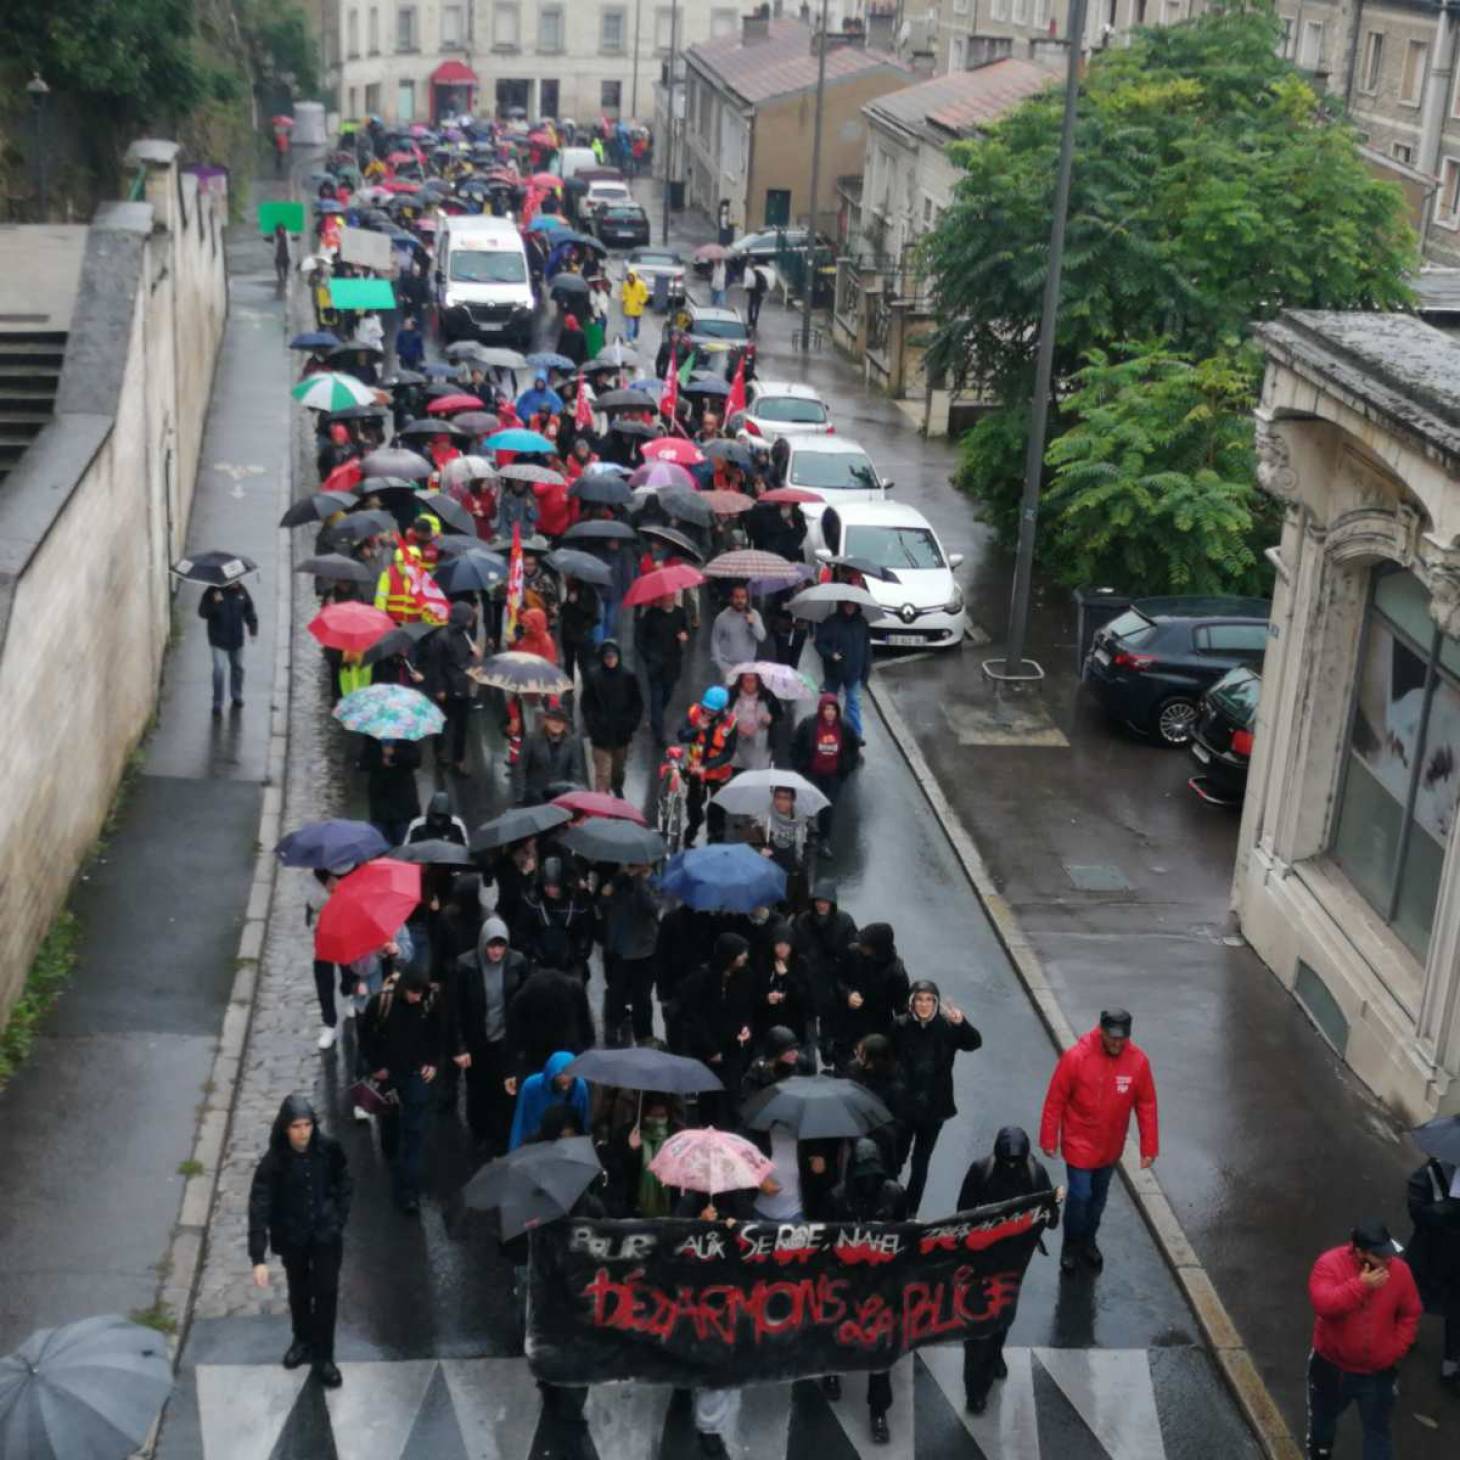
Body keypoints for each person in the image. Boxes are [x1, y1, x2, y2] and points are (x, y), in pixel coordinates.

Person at [1039, 1008, 1158, 1274]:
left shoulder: (1138, 1062)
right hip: (1079, 1141)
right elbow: (1055, 1100)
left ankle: (1089, 1240)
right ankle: (1071, 1245)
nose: (1117, 1043)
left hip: (1110, 1146)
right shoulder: (1076, 1058)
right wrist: (1049, 1138)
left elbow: (1146, 1104)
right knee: (1081, 1195)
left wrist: (1149, 1147)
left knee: (1098, 1198)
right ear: (1101, 1031)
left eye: (1122, 1039)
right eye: (1112, 1037)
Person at [248, 1094, 351, 1389]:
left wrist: (338, 1218)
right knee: (299, 1291)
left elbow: (344, 1181)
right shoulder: (273, 1163)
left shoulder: (328, 1149)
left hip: (325, 1236)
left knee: (327, 1292)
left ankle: (325, 1355)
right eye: (296, 1126)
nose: (303, 1132)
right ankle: (302, 1339)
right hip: (293, 1237)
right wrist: (258, 1257)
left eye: (307, 1125)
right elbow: (259, 1206)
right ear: (285, 1128)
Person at [957, 1127, 1057, 1414]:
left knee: (1003, 1313)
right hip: (981, 1257)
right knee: (977, 1323)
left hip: (1015, 1258)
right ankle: (975, 1388)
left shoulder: (1036, 1175)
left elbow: (1050, 1218)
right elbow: (963, 1210)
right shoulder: (981, 1171)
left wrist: (1047, 1210)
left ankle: (995, 1351)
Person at [1306, 1222, 1422, 1459]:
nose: (1387, 1261)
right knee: (1323, 1424)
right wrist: (1361, 1286)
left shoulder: (1399, 1271)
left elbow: (1410, 1312)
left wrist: (1396, 1349)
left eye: (1389, 1253)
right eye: (1379, 1256)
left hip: (1378, 1373)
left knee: (1378, 1433)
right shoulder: (1329, 1265)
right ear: (1359, 1252)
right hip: (1333, 1370)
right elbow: (1324, 1305)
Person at [821, 1138, 907, 1442]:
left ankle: (878, 1410)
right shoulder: (837, 1198)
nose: (868, 1182)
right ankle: (831, 1369)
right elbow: (825, 1243)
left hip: (881, 1281)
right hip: (845, 1279)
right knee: (838, 1328)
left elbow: (906, 1237)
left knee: (879, 1347)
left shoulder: (894, 1195)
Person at [892, 979, 983, 1213]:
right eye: (920, 999)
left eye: (929, 1000)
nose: (924, 1005)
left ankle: (911, 1210)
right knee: (896, 1156)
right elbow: (887, 1057)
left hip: (934, 1108)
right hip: (904, 1106)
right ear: (912, 1002)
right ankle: (891, 1201)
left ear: (935, 1003)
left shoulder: (946, 1027)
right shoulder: (900, 1026)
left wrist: (961, 1023)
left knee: (921, 1163)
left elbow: (974, 1043)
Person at [361, 966, 445, 1213]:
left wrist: (432, 1062)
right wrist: (376, 1066)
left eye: (420, 993)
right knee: (390, 1124)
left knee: (414, 1131)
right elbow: (366, 1036)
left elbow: (438, 1033)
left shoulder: (430, 999)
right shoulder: (382, 1003)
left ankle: (408, 1191)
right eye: (413, 993)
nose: (417, 998)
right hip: (389, 1074)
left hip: (416, 1073)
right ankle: (394, 1159)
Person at [452, 916, 530, 1153]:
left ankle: (502, 1136)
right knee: (478, 1088)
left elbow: (525, 1003)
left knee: (506, 1089)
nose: (496, 951)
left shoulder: (518, 963)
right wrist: (460, 1047)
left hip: (506, 1040)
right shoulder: (466, 966)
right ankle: (480, 1133)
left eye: (501, 945)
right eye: (492, 945)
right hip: (478, 1040)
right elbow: (455, 1010)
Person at [1405, 1151, 1460, 1388]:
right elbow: (1418, 1213)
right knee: (1411, 1298)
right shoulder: (1430, 1173)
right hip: (1428, 1255)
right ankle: (1404, 1336)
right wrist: (1448, 1207)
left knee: (1457, 1313)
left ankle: (1451, 1367)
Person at [793, 880, 858, 1061]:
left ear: (832, 903)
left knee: (830, 1016)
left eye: (825, 901)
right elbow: (796, 947)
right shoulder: (803, 921)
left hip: (832, 979)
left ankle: (827, 1048)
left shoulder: (845, 921)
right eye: (818, 900)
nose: (821, 904)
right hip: (809, 977)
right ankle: (811, 1053)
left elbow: (853, 949)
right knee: (809, 1018)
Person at [833, 923, 909, 1069]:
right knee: (843, 1070)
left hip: (877, 1030)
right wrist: (848, 994)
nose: (861, 946)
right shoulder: (853, 953)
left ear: (878, 948)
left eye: (866, 945)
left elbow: (902, 1010)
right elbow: (838, 980)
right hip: (848, 1025)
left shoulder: (896, 972)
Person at [600, 863, 660, 1045]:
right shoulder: (618, 880)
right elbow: (602, 903)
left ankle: (644, 1035)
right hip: (618, 948)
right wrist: (616, 882)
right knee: (616, 993)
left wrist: (639, 882)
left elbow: (652, 908)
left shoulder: (653, 882)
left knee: (642, 997)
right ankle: (613, 1025)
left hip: (644, 951)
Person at [423, 600, 481, 775]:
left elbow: (465, 658)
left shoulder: (464, 635)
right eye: (470, 618)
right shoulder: (441, 638)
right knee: (443, 724)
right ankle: (440, 753)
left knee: (461, 726)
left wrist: (473, 657)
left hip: (463, 686)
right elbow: (436, 665)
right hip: (448, 688)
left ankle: (459, 760)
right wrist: (439, 688)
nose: (471, 622)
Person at [514, 857, 596, 980]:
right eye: (547, 885)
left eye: (554, 885)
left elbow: (584, 933)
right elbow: (522, 932)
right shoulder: (534, 901)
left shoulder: (576, 902)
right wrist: (533, 952)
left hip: (569, 962)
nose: (550, 890)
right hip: (539, 960)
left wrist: (577, 956)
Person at [791, 693, 857, 847]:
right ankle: (806, 832)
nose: (830, 712)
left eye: (833, 709)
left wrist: (847, 767)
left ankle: (824, 840)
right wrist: (799, 766)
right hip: (812, 772)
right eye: (826, 709)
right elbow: (795, 744)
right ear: (821, 709)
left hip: (834, 775)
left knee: (828, 805)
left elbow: (853, 748)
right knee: (808, 803)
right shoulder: (809, 724)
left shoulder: (845, 727)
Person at [580, 638, 644, 796]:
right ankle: (602, 805)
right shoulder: (594, 677)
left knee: (618, 770)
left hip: (621, 735)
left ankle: (617, 787)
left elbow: (637, 703)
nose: (611, 661)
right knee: (603, 774)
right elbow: (586, 704)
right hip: (600, 736)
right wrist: (593, 725)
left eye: (613, 657)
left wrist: (630, 725)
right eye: (607, 657)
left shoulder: (628, 677)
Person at [679, 685, 739, 846]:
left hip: (718, 775)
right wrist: (696, 729)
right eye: (706, 707)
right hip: (695, 773)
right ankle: (689, 837)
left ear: (721, 709)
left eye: (712, 710)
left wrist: (707, 767)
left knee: (717, 813)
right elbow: (682, 736)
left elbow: (728, 752)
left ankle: (715, 844)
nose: (708, 712)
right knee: (693, 809)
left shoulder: (730, 723)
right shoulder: (694, 714)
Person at [815, 598, 872, 744]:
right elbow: (819, 643)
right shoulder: (831, 621)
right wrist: (830, 654)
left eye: (852, 604)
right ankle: (825, 734)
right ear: (842, 604)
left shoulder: (862, 623)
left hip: (854, 671)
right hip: (833, 671)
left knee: (853, 704)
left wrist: (865, 672)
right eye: (847, 604)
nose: (850, 607)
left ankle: (854, 736)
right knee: (829, 705)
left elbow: (867, 650)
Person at [199, 580, 259, 715]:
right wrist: (214, 603)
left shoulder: (242, 591)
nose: (237, 582)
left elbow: (249, 610)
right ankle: (217, 702)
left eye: (239, 579)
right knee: (219, 670)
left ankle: (236, 695)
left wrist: (253, 628)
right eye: (235, 580)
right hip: (218, 640)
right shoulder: (213, 591)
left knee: (237, 667)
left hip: (236, 639)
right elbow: (202, 612)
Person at [509, 1050, 590, 1148]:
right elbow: (521, 1123)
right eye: (562, 1083)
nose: (566, 1088)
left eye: (570, 1083)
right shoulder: (531, 1087)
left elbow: (582, 1122)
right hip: (537, 1145)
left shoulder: (579, 1088)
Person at [513, 701, 587, 805]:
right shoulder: (531, 739)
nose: (557, 724)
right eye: (554, 720)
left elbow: (576, 771)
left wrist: (575, 795)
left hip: (561, 795)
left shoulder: (572, 743)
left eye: (561, 721)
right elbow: (520, 768)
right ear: (546, 721)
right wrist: (519, 797)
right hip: (535, 795)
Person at [638, 593, 689, 744]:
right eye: (665, 598)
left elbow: (686, 630)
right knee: (656, 697)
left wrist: (684, 636)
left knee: (667, 694)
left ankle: (656, 718)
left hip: (672, 664)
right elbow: (640, 637)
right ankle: (659, 733)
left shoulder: (680, 613)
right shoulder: (651, 615)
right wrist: (648, 657)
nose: (668, 600)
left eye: (670, 597)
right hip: (655, 665)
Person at [361, 738, 422, 847]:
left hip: (403, 803)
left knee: (403, 845)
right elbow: (363, 762)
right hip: (380, 803)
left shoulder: (407, 736)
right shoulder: (372, 738)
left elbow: (416, 760)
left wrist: (394, 754)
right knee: (380, 846)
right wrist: (381, 760)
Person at [710, 584, 765, 682]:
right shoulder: (722, 617)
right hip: (728, 667)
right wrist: (721, 665)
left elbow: (761, 637)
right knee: (729, 696)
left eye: (743, 597)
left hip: (748, 667)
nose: (740, 600)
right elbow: (715, 641)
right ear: (731, 598)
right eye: (737, 597)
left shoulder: (754, 614)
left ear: (747, 599)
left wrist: (753, 624)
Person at [729, 671, 774, 772]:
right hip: (738, 744)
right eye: (746, 680)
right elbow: (725, 717)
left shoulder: (767, 697)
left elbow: (777, 716)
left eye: (753, 680)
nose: (750, 683)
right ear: (741, 681)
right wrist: (738, 727)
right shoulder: (732, 696)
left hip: (759, 745)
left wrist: (769, 719)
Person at [620, 268, 649, 341]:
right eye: (629, 277)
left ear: (634, 277)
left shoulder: (641, 284)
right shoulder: (625, 284)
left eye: (631, 277)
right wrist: (624, 299)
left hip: (637, 309)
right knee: (629, 325)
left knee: (636, 326)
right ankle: (629, 339)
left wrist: (641, 301)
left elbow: (645, 294)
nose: (630, 278)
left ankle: (635, 337)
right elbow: (622, 293)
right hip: (628, 308)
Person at [746, 264, 768, 333]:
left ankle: (752, 322)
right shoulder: (758, 274)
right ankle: (753, 322)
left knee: (752, 307)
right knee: (755, 308)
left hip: (756, 293)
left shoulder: (756, 274)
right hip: (756, 293)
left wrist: (747, 289)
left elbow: (750, 284)